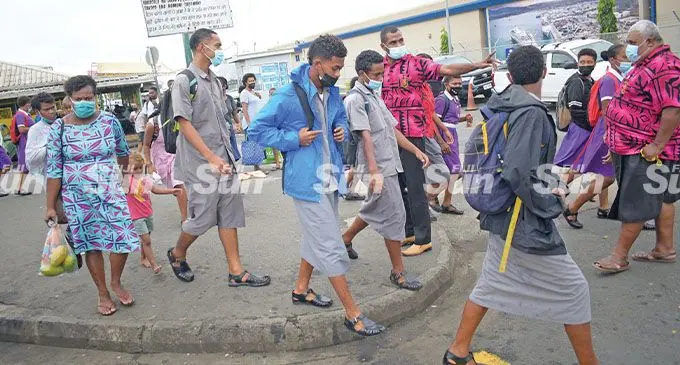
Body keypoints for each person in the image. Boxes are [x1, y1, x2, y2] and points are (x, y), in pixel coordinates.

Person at [442, 45, 598, 365]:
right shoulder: (531, 112)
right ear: (543, 72)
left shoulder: (504, 104)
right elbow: (517, 171)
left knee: (491, 283)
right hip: (521, 220)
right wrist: (548, 201)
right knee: (574, 289)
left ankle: (457, 352)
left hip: (502, 213)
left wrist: (547, 183)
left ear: (510, 76)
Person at [249, 35, 385, 336]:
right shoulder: (287, 96)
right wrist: (292, 139)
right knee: (331, 245)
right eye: (335, 68)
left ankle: (301, 289)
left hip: (330, 177)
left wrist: (340, 130)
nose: (338, 74)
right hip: (306, 183)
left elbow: (339, 123)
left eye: (340, 69)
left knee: (316, 239)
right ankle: (353, 315)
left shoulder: (332, 93)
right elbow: (255, 131)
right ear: (317, 64)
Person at [380, 26, 495, 256]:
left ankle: (423, 239)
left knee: (414, 187)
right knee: (402, 187)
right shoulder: (380, 69)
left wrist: (476, 65)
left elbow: (447, 68)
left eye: (401, 39)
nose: (399, 44)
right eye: (393, 42)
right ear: (384, 46)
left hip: (413, 134)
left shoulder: (416, 64)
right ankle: (410, 231)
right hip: (391, 135)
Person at [167, 28, 270, 287]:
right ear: (202, 47)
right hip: (201, 162)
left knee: (229, 213)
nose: (221, 49)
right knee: (201, 218)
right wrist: (210, 157)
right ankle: (177, 254)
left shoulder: (213, 80)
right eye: (218, 44)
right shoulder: (184, 80)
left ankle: (236, 272)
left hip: (223, 159)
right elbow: (184, 122)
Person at [45, 75, 140, 316]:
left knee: (122, 237)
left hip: (109, 191)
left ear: (95, 97)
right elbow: (54, 169)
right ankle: (102, 292)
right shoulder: (60, 128)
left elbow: (121, 152)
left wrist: (120, 179)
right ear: (70, 100)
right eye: (79, 99)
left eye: (89, 98)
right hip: (77, 197)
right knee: (91, 245)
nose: (85, 102)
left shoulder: (109, 121)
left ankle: (116, 282)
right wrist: (51, 205)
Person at [594, 20, 680, 273]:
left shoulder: (665, 66)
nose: (628, 48)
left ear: (651, 42)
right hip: (637, 146)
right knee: (662, 197)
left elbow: (673, 110)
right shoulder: (645, 63)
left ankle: (619, 257)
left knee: (638, 201)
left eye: (633, 43)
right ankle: (665, 249)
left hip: (649, 151)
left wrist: (657, 145)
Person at [341, 50, 430, 290]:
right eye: (377, 74)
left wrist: (415, 150)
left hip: (389, 164)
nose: (382, 78)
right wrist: (374, 172)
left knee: (374, 208)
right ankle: (398, 273)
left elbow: (392, 130)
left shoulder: (374, 96)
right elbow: (366, 136)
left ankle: (345, 239)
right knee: (395, 216)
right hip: (377, 167)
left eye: (383, 72)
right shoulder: (355, 100)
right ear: (362, 74)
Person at [563, 45, 629, 229]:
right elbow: (608, 110)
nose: (628, 59)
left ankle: (590, 206)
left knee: (596, 172)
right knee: (604, 176)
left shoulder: (618, 77)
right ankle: (570, 206)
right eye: (624, 56)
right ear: (613, 59)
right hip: (606, 132)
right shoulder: (609, 80)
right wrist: (610, 139)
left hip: (610, 132)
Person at [124, 152, 182, 274]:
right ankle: (154, 264)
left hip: (147, 213)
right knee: (147, 241)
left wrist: (172, 190)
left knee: (146, 238)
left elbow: (155, 190)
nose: (138, 170)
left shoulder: (145, 179)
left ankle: (143, 257)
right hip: (136, 216)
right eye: (135, 168)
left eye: (140, 167)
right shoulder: (126, 182)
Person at [554, 48, 597, 199]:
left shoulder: (590, 81)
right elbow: (576, 110)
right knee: (575, 164)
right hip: (581, 129)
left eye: (589, 62)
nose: (586, 65)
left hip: (587, 129)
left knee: (585, 164)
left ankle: (596, 199)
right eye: (582, 62)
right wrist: (592, 125)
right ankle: (560, 191)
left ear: (595, 63)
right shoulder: (576, 82)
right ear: (577, 63)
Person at [416, 53, 455, 222]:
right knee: (442, 173)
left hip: (430, 134)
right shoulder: (413, 89)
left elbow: (431, 114)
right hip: (421, 136)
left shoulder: (427, 87)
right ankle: (424, 204)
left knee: (435, 174)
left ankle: (424, 205)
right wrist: (440, 139)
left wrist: (443, 129)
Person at [142, 85, 188, 224]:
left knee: (179, 186)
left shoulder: (180, 120)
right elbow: (146, 145)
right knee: (177, 188)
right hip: (161, 160)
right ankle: (186, 209)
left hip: (177, 157)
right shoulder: (153, 124)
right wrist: (149, 164)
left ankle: (185, 219)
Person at [435, 76, 472, 215]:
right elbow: (434, 122)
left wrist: (464, 118)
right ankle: (430, 197)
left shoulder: (455, 99)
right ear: (446, 84)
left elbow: (452, 119)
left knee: (454, 171)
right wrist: (442, 141)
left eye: (460, 83)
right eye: (454, 83)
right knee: (455, 170)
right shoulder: (441, 100)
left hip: (452, 134)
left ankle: (446, 202)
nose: (457, 86)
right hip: (446, 136)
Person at [239, 73, 267, 177]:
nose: (252, 82)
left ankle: (258, 166)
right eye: (250, 81)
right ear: (245, 82)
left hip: (257, 123)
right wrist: (249, 123)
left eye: (253, 80)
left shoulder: (253, 92)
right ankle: (257, 168)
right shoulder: (244, 93)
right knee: (253, 145)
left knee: (259, 145)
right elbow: (245, 110)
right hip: (250, 124)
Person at [26, 92, 58, 176]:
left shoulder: (64, 123)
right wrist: (51, 145)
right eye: (46, 109)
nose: (51, 111)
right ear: (37, 112)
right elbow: (31, 159)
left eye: (53, 107)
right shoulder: (35, 130)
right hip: (48, 175)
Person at [13, 96, 35, 195]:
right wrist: (34, 128)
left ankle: (19, 187)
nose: (30, 105)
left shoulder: (24, 114)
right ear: (26, 104)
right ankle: (21, 188)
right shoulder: (20, 115)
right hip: (24, 142)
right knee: (24, 165)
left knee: (23, 165)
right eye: (29, 103)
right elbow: (21, 129)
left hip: (26, 141)